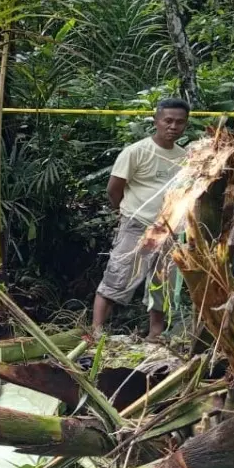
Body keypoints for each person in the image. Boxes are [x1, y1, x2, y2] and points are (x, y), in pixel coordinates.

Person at [91, 98, 191, 340]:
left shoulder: (185, 156)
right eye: (168, 120)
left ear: (185, 125)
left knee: (163, 283)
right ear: (156, 120)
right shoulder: (136, 151)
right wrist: (125, 213)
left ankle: (155, 334)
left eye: (179, 122)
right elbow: (114, 188)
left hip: (170, 229)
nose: (173, 126)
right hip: (136, 225)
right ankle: (96, 332)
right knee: (118, 275)